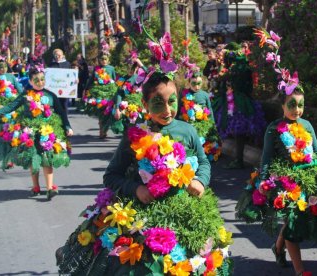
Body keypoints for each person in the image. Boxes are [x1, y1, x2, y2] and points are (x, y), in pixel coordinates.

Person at [56, 28, 233, 274]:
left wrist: (200, 181)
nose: (167, 109)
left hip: (185, 210)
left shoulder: (188, 131)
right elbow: (111, 175)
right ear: (145, 104)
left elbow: (204, 163)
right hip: (144, 217)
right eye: (158, 103)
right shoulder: (133, 135)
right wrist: (136, 189)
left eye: (171, 101)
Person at [236, 29, 317, 276]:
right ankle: (299, 270)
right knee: (293, 223)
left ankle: (277, 247)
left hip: (310, 178)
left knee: (295, 223)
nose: (297, 109)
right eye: (292, 104)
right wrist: (264, 181)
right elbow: (266, 159)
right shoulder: (274, 130)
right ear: (282, 105)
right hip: (287, 182)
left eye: (301, 105)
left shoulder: (307, 126)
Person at [0, 66, 73, 200]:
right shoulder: (25, 95)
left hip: (47, 131)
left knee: (47, 159)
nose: (40, 82)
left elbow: (61, 113)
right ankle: (36, 187)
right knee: (33, 159)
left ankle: (49, 188)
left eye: (42, 79)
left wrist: (67, 126)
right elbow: (10, 107)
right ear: (30, 81)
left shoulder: (50, 95)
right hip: (28, 131)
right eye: (36, 80)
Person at [213, 43, 266, 169]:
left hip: (235, 102)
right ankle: (238, 159)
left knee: (237, 130)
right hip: (245, 100)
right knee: (240, 131)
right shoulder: (245, 67)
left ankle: (238, 160)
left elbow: (222, 81)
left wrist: (222, 76)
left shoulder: (234, 69)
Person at [178, 71, 222, 162]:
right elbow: (179, 110)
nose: (196, 87)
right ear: (189, 82)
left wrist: (212, 124)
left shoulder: (205, 95)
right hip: (188, 124)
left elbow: (210, 110)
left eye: (199, 84)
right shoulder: (184, 94)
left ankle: (204, 157)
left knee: (204, 142)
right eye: (194, 84)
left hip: (203, 124)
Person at [82, 52, 117, 139]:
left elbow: (114, 80)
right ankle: (102, 130)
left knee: (107, 111)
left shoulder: (111, 68)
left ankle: (105, 129)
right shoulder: (96, 68)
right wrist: (86, 89)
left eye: (105, 59)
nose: (104, 61)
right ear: (99, 60)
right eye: (102, 59)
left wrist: (116, 91)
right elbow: (91, 79)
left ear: (108, 60)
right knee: (101, 111)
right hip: (98, 92)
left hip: (109, 92)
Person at [48, 49, 71, 113]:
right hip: (54, 88)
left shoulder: (67, 64)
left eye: (59, 55)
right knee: (56, 105)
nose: (57, 57)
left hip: (65, 88)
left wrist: (75, 80)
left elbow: (71, 75)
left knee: (64, 104)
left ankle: (65, 120)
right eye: (55, 55)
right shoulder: (51, 64)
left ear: (62, 55)